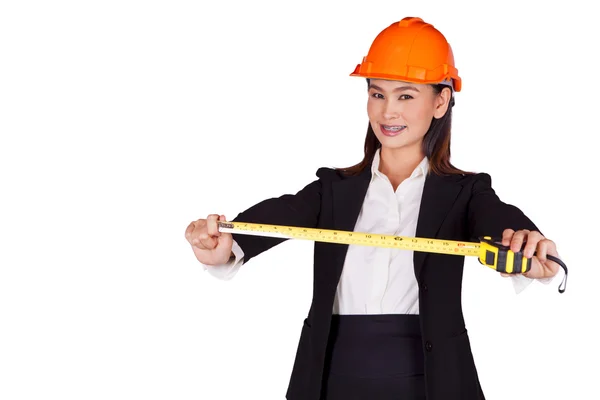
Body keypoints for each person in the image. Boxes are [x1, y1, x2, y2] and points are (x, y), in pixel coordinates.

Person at [185, 17, 563, 400]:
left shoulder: (464, 193)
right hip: (332, 379)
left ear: (441, 101)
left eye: (406, 96)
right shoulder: (334, 190)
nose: (387, 112)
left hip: (430, 381)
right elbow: (283, 213)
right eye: (377, 94)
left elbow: (497, 217)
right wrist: (229, 242)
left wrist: (526, 240)